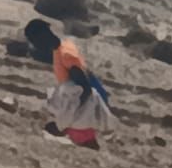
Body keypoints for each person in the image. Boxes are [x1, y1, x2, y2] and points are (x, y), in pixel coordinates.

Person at [25, 19, 113, 148]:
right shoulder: (62, 48)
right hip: (85, 100)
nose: (35, 46)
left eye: (35, 42)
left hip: (88, 108)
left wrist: (64, 123)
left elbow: (85, 89)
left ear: (42, 37)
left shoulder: (66, 55)